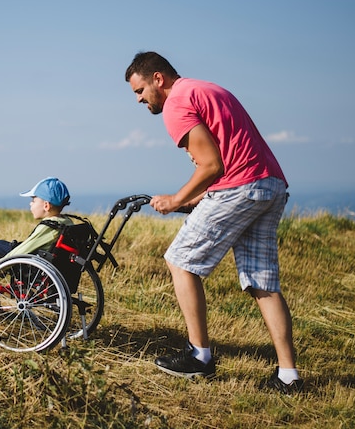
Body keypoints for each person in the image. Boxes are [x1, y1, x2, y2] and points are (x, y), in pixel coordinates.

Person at [124, 51, 302, 394]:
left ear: (158, 79)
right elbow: (229, 159)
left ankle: (200, 357)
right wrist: (191, 203)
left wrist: (175, 199)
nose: (139, 99)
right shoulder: (209, 89)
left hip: (240, 187)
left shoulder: (176, 103)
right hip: (270, 185)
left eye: (140, 90)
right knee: (262, 282)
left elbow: (211, 166)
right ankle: (288, 376)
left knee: (179, 261)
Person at [0, 177, 73, 285]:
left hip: (31, 265)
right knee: (0, 244)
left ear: (46, 206)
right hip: (46, 261)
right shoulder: (67, 222)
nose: (30, 204)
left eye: (33, 200)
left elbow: (25, 248)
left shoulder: (50, 226)